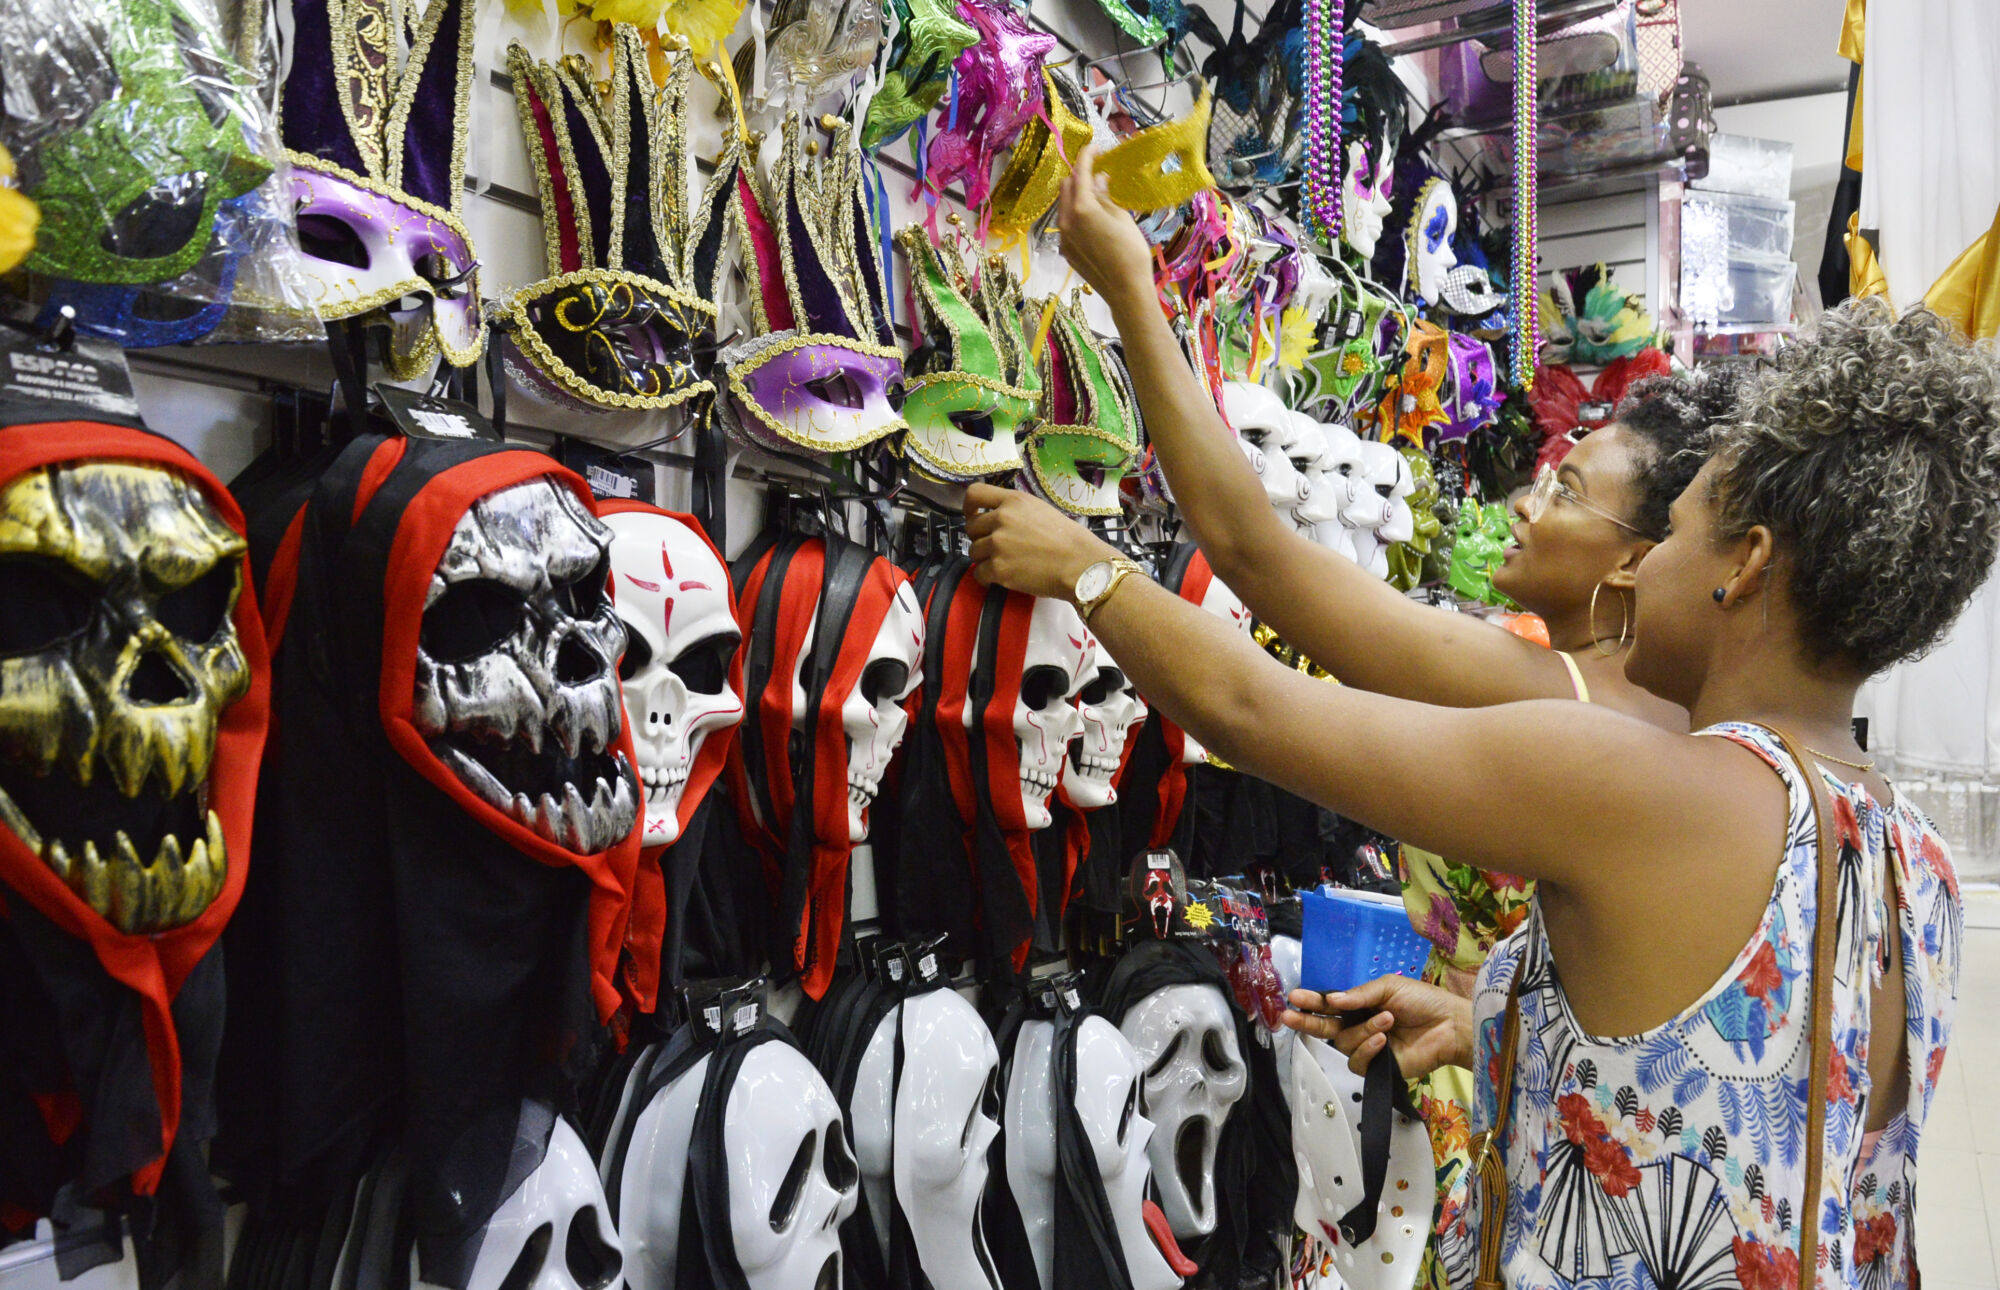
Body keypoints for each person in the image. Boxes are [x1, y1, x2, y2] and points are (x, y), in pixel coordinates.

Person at [962, 150, 1995, 1290]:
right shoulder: (1913, 860)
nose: (1640, 566)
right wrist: (1489, 1019)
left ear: (1742, 567)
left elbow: (1249, 706)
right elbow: (1743, 1105)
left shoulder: (1637, 784)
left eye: (1676, 534)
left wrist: (1091, 572)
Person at [1047, 140, 1741, 1283]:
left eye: (1568, 491)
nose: (1526, 496)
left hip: (1480, 1156)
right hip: (1468, 1086)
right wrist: (1483, 1012)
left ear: (1640, 564)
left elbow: (1250, 594)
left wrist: (1127, 295)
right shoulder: (1628, 708)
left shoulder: (1565, 701)